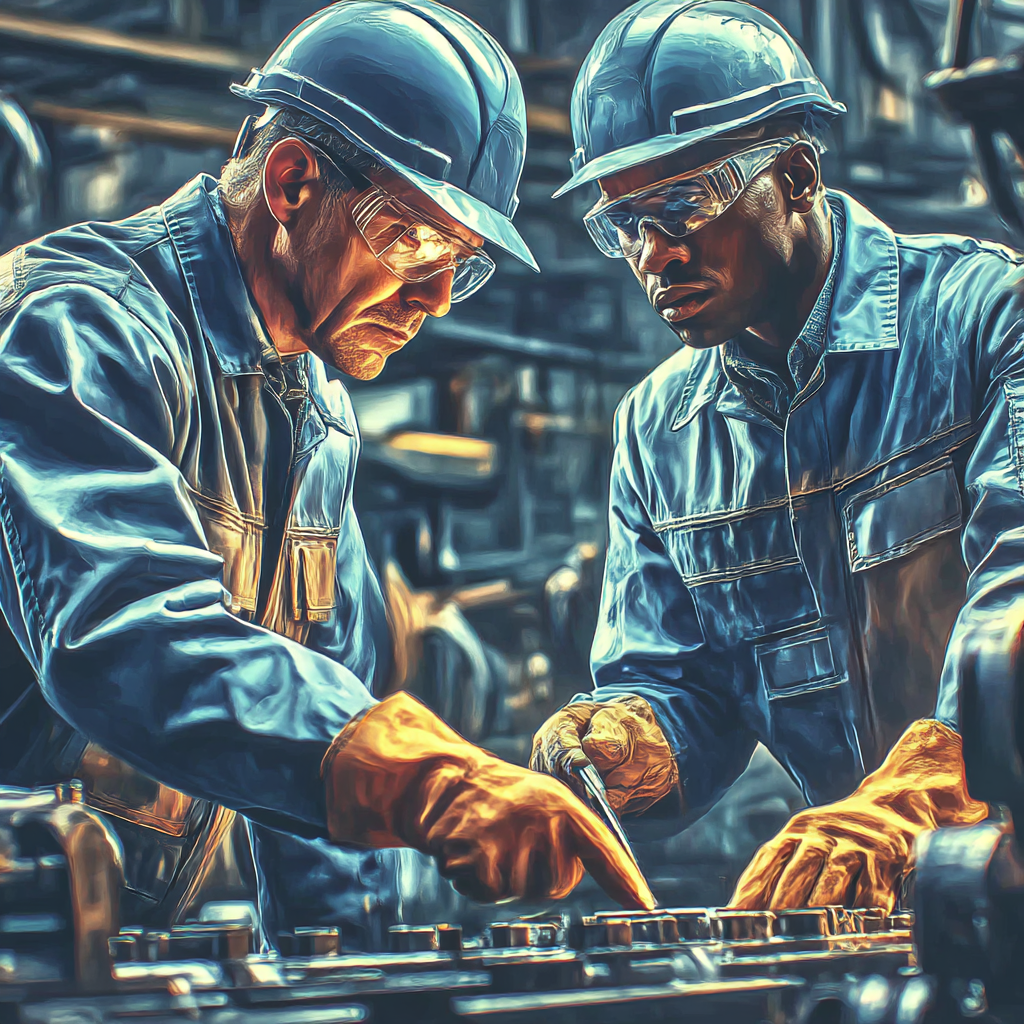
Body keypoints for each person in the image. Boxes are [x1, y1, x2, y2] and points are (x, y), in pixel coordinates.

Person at [0, 0, 653, 945]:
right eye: (416, 240)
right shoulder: (75, 330)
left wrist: (350, 971)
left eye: (459, 264)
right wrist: (432, 780)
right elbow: (126, 636)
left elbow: (324, 759)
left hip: (94, 951)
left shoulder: (316, 416)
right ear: (293, 181)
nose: (434, 297)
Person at [530, 0, 1019, 912]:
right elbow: (684, 687)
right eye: (624, 223)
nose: (653, 253)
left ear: (795, 175)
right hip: (875, 913)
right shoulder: (657, 433)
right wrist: (631, 741)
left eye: (683, 205)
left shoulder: (986, 319)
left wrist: (930, 788)